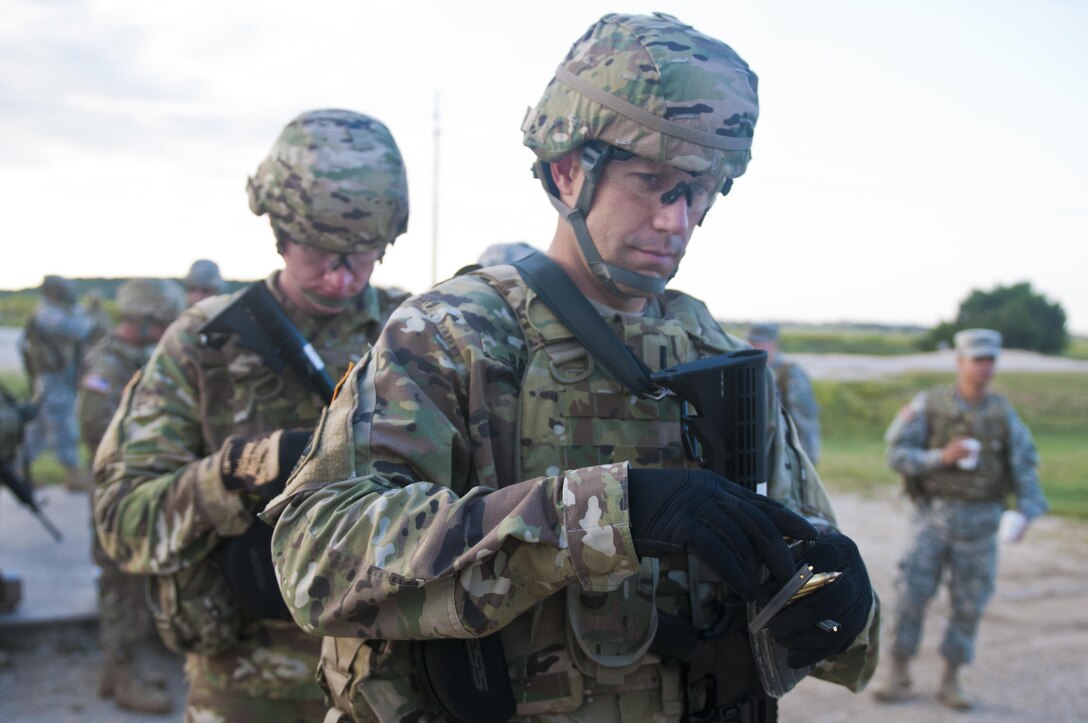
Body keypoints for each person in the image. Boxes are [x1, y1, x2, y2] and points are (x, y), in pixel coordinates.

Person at [263, 13, 880, 722]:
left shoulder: (713, 353)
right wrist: (599, 514)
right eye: (654, 183)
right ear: (568, 171)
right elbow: (316, 557)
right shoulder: (454, 334)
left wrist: (839, 601)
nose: (678, 221)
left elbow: (802, 559)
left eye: (700, 190)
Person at [92, 109, 411, 722]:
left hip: (392, 682)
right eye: (321, 250)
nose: (343, 275)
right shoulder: (204, 342)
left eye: (365, 251)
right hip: (247, 688)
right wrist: (234, 473)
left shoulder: (416, 335)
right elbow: (121, 521)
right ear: (279, 231)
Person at [874, 328, 1048, 710]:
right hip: (931, 518)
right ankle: (898, 670)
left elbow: (1025, 466)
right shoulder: (930, 405)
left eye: (990, 360)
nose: (984, 367)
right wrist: (940, 458)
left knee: (969, 603)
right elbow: (896, 454)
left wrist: (1027, 510)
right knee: (909, 595)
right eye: (977, 359)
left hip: (982, 521)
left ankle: (951, 678)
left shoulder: (1002, 413)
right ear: (960, 361)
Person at [77, 278, 187, 715]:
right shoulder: (109, 364)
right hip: (118, 497)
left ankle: (115, 671)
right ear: (141, 321)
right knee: (122, 585)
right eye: (160, 324)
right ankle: (124, 676)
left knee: (132, 583)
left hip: (138, 492)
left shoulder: (133, 357)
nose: (164, 332)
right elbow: (93, 424)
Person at [19, 275, 98, 491]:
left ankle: (19, 470)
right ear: (53, 292)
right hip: (54, 380)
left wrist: (85, 309)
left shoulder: (56, 311)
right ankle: (73, 474)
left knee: (40, 428)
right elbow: (78, 330)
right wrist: (91, 315)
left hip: (57, 378)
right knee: (63, 424)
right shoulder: (49, 314)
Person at [747, 322, 822, 465]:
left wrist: (807, 464)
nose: (754, 347)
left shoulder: (791, 375)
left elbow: (806, 425)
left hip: (785, 460)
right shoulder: (748, 372)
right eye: (751, 342)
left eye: (760, 343)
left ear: (774, 343)